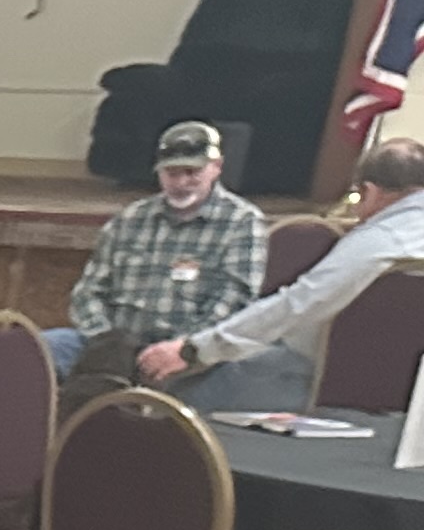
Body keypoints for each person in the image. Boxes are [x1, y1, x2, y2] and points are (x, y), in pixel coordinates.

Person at [141, 138, 424, 413]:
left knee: (178, 396)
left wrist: (195, 350)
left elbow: (298, 305)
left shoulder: (378, 241)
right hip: (411, 400)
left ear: (370, 192)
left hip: (321, 382)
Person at [51, 121, 267, 384]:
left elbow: (234, 302)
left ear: (216, 167)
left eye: (192, 172)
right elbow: (88, 292)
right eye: (171, 173)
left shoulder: (242, 222)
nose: (181, 182)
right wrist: (105, 339)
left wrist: (183, 348)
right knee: (41, 349)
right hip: (111, 344)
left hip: (189, 353)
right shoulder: (129, 219)